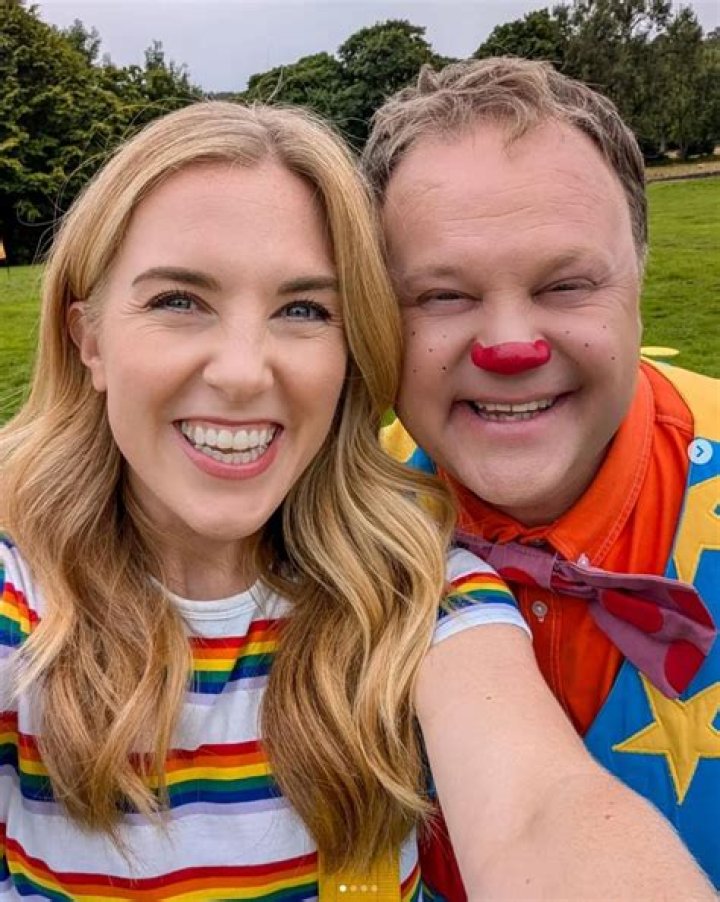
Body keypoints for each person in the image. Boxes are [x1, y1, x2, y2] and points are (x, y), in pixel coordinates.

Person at [0, 102, 712, 902]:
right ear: (88, 337)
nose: (242, 372)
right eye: (179, 301)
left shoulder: (414, 586)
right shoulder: (19, 596)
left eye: (304, 310)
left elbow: (538, 811)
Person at [363, 57, 720, 898]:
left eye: (566, 285)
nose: (510, 346)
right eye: (442, 296)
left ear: (639, 280)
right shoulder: (325, 512)